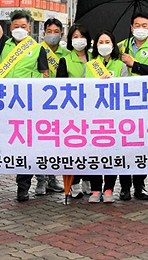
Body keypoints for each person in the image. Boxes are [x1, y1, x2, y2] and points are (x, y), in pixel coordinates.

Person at [0, 0, 42, 204]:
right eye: (15, 25)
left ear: (29, 28)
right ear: (11, 28)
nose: (19, 28)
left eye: (23, 26)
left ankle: (23, 188)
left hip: (26, 106)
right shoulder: (4, 44)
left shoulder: (37, 49)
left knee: (26, 148)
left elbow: (45, 77)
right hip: (2, 104)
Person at [117, 12, 148, 200]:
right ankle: (124, 187)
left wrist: (134, 64)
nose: (140, 29)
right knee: (124, 145)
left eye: (144, 25)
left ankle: (140, 185)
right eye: (137, 25)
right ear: (131, 27)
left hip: (147, 102)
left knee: (143, 145)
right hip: (123, 102)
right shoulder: (120, 46)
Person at [86, 30, 129, 203]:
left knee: (112, 154)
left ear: (113, 45)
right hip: (93, 116)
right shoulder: (89, 65)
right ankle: (96, 189)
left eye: (107, 42)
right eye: (101, 42)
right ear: (96, 45)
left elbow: (125, 89)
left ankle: (109, 188)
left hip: (114, 116)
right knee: (94, 154)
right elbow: (83, 89)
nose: (104, 45)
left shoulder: (120, 65)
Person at [32, 18, 70, 197]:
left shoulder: (67, 53)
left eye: (56, 31)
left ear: (62, 34)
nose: (52, 35)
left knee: (55, 143)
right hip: (40, 102)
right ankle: (41, 179)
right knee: (41, 143)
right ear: (43, 33)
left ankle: (52, 179)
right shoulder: (35, 50)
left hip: (60, 104)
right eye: (49, 31)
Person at [57, 23, 94, 200]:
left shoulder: (95, 59)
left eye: (82, 36)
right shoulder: (65, 60)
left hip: (93, 111)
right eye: (75, 37)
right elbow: (60, 86)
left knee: (91, 149)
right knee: (75, 150)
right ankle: (74, 183)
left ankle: (88, 181)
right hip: (73, 112)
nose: (79, 40)